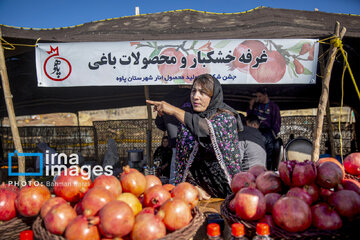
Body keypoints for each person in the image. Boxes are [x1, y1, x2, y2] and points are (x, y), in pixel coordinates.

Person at [147, 74, 244, 199]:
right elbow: (184, 164)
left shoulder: (226, 118)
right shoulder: (187, 123)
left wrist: (175, 110)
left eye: (202, 92)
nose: (195, 97)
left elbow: (206, 130)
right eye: (193, 91)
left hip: (227, 191)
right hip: (199, 193)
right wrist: (193, 188)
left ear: (213, 96)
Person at [154, 86, 192, 184]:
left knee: (176, 179)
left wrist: (162, 117)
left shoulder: (167, 99)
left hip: (176, 144)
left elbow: (160, 124)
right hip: (194, 144)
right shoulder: (194, 96)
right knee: (193, 180)